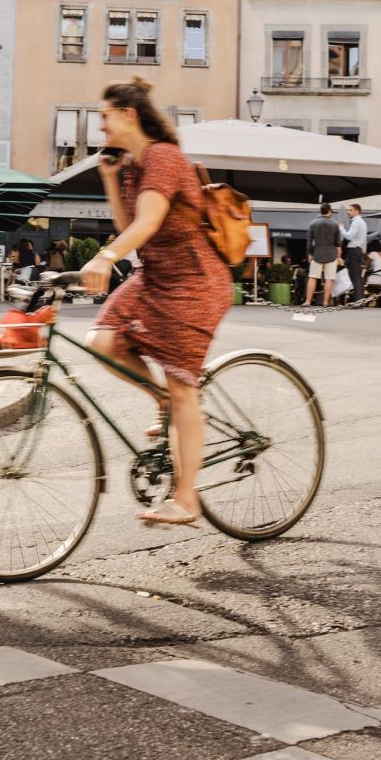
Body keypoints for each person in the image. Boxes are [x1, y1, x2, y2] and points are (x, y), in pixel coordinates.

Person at [80, 76, 231, 528]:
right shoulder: (131, 166)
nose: (100, 126)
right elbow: (129, 221)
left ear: (128, 115)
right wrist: (110, 179)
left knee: (185, 387)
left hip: (194, 281)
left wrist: (107, 256)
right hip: (155, 275)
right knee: (102, 341)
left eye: (105, 116)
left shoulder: (163, 158)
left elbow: (147, 223)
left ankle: (186, 499)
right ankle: (160, 401)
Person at [305, 203, 342, 307]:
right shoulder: (335, 224)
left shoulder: (313, 223)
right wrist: (339, 256)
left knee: (312, 277)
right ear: (329, 211)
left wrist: (309, 253)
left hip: (317, 253)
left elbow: (309, 241)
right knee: (329, 279)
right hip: (331, 254)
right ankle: (325, 302)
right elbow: (338, 243)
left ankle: (308, 301)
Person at [339, 203, 368, 302]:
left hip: (353, 250)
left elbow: (349, 236)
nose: (348, 212)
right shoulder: (362, 222)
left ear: (357, 211)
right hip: (358, 250)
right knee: (357, 277)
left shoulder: (356, 222)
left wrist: (341, 229)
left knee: (355, 277)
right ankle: (359, 299)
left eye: (350, 210)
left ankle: (358, 300)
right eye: (348, 210)